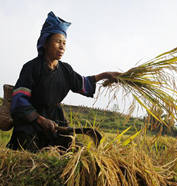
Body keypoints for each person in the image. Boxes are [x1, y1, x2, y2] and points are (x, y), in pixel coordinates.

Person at [6, 11, 120, 152]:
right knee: (33, 154)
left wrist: (105, 75)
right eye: (58, 42)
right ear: (46, 43)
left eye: (64, 43)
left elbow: (82, 83)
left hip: (55, 123)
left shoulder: (65, 70)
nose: (62, 47)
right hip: (30, 125)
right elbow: (19, 100)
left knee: (73, 149)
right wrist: (41, 120)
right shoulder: (31, 67)